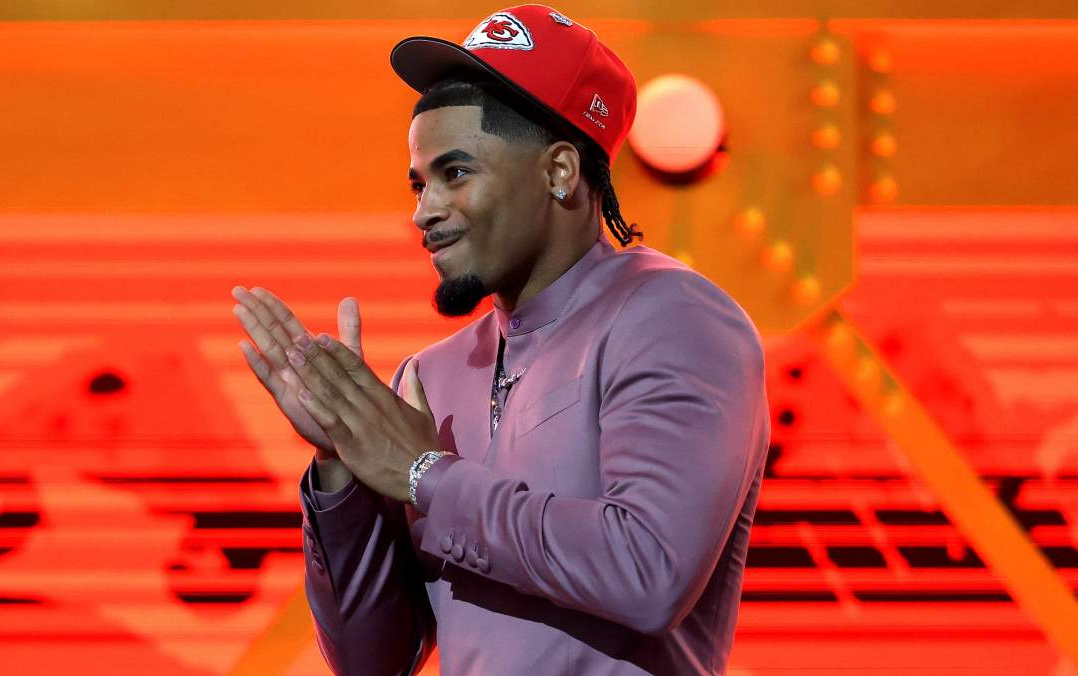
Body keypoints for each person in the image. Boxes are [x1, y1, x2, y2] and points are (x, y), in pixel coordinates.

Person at [229, 5, 770, 674]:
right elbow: (375, 662)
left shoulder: (672, 318)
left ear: (559, 172)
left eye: (455, 174)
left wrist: (426, 475)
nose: (423, 212)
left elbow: (648, 571)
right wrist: (340, 460)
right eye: (418, 184)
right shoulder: (431, 376)